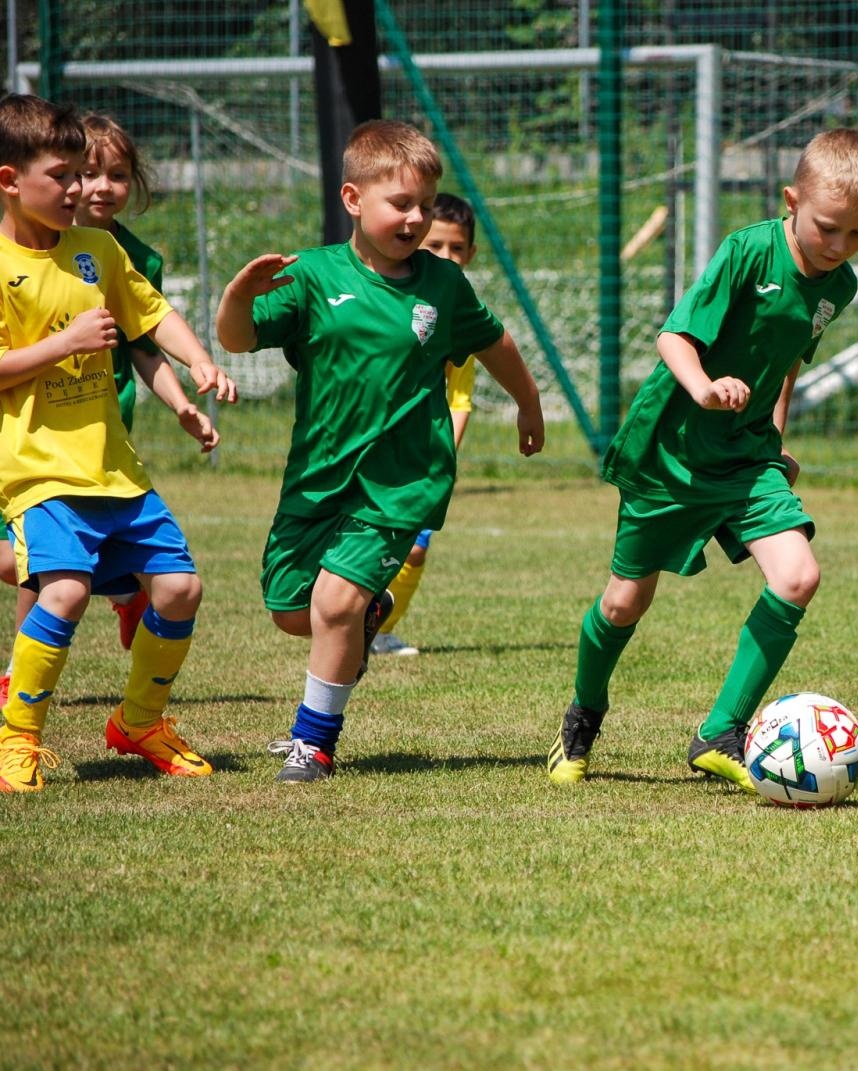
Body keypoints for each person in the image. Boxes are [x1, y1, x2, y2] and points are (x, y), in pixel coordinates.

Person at [545, 128, 858, 792]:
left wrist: (776, 440)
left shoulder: (835, 288)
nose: (839, 246)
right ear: (792, 201)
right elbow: (674, 335)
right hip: (671, 453)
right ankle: (582, 717)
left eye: (857, 235)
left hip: (746, 456)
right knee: (623, 603)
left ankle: (721, 731)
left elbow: (785, 359)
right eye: (828, 228)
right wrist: (703, 388)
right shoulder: (747, 253)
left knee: (798, 575)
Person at [215, 120, 545, 784]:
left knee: (333, 604)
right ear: (352, 198)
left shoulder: (442, 286)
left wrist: (528, 404)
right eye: (401, 203)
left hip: (400, 481)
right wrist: (238, 294)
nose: (417, 217)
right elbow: (238, 339)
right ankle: (370, 616)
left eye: (425, 204)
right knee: (291, 612)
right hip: (317, 476)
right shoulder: (311, 276)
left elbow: (495, 341)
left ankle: (313, 743)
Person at [0, 94, 229, 792]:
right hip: (40, 471)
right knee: (62, 592)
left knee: (181, 586)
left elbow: (151, 313)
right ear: (9, 181)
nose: (78, 190)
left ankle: (138, 723)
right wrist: (62, 344)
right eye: (61, 176)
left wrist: (198, 362)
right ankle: (18, 738)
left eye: (83, 175)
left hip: (115, 469)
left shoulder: (98, 250)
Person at [370, 192, 482, 658]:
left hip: (424, 458)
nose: (447, 257)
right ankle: (345, 616)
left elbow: (460, 398)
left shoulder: (461, 316)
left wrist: (444, 457)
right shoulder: (387, 301)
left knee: (415, 548)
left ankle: (375, 630)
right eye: (436, 247)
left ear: (471, 254)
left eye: (457, 249)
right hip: (372, 449)